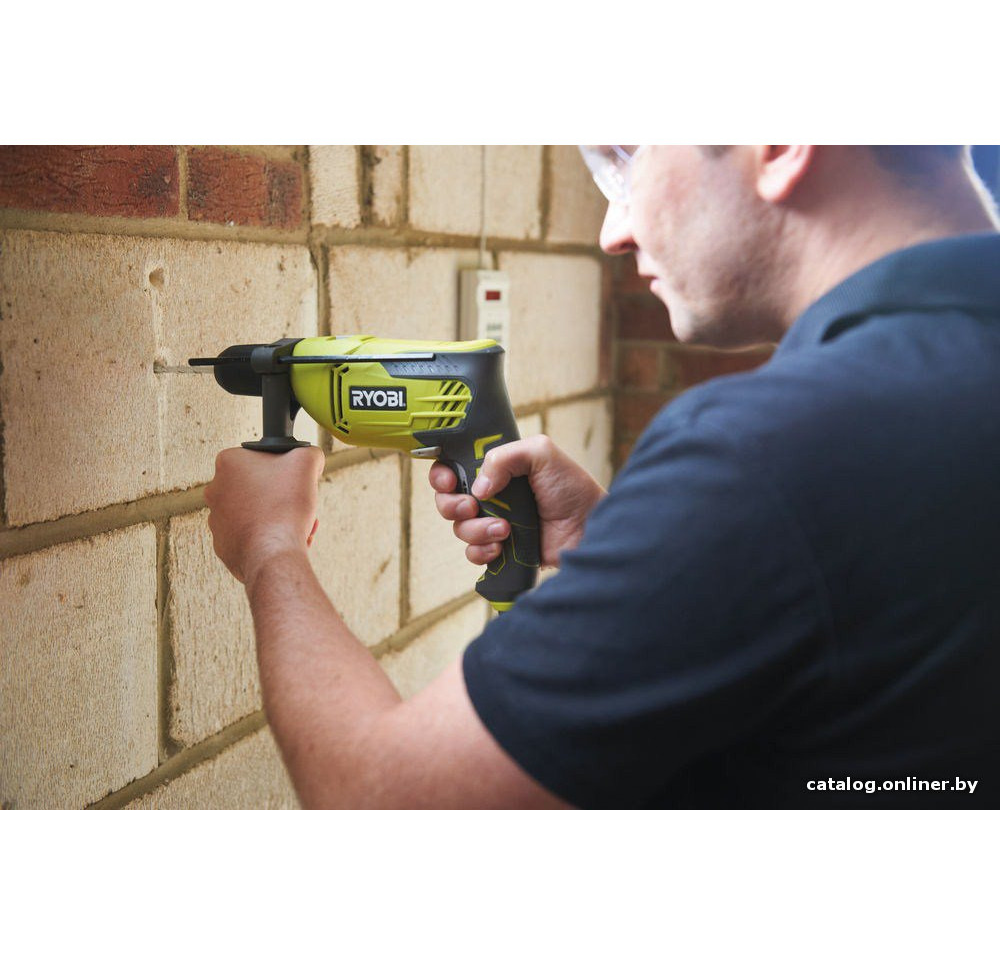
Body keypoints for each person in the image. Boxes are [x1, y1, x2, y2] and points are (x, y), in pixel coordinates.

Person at [204, 146, 1000, 808]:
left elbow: (384, 804)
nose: (614, 231)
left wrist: (270, 545)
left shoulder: (763, 456)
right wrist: (651, 549)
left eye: (629, 159)